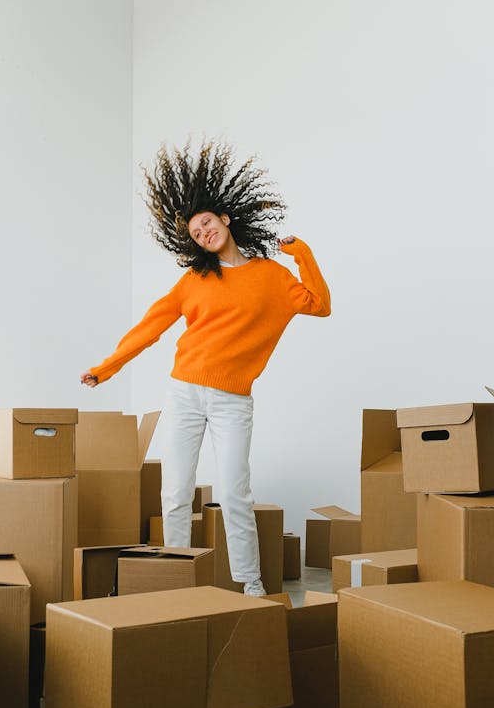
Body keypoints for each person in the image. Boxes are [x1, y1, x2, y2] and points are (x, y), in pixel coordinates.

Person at [81, 139, 331, 595]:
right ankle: (178, 581)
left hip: (234, 400)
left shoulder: (273, 277)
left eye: (207, 224)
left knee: (235, 495)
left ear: (225, 219)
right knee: (175, 492)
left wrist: (302, 253)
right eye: (196, 233)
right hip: (185, 393)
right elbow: (150, 326)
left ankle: (250, 586)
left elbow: (320, 305)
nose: (204, 234)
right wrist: (107, 367)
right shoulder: (195, 280)